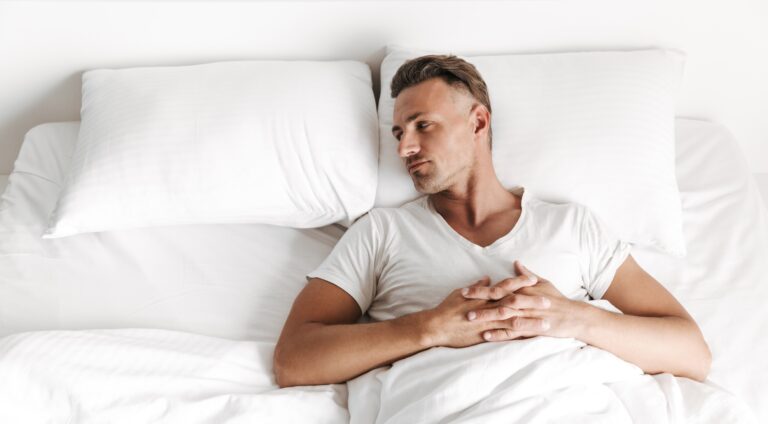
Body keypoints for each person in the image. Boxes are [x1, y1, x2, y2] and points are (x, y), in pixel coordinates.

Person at [273, 54, 711, 389]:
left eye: (422, 125)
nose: (405, 147)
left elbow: (692, 352)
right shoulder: (381, 233)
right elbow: (293, 360)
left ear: (478, 121)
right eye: (397, 133)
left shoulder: (571, 226)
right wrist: (429, 328)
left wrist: (570, 318)